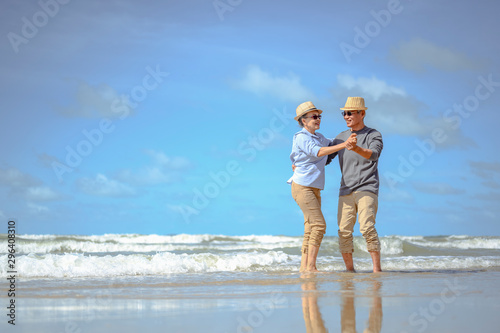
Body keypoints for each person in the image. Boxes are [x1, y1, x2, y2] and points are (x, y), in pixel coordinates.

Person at [288, 101, 356, 272]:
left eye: (319, 116)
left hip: (315, 187)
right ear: (303, 120)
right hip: (302, 187)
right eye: (314, 117)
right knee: (319, 225)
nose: (318, 119)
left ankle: (304, 267)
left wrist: (353, 134)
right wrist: (344, 144)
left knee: (310, 228)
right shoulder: (301, 137)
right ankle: (311, 266)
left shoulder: (319, 137)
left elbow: (331, 143)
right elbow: (317, 151)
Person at [327, 96, 383, 273]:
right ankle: (350, 271)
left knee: (366, 227)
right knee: (344, 231)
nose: (346, 116)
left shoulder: (373, 134)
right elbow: (325, 159)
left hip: (367, 187)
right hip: (346, 190)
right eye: (344, 113)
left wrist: (355, 147)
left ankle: (377, 270)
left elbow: (373, 154)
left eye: (350, 113)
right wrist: (300, 162)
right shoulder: (340, 138)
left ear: (362, 113)